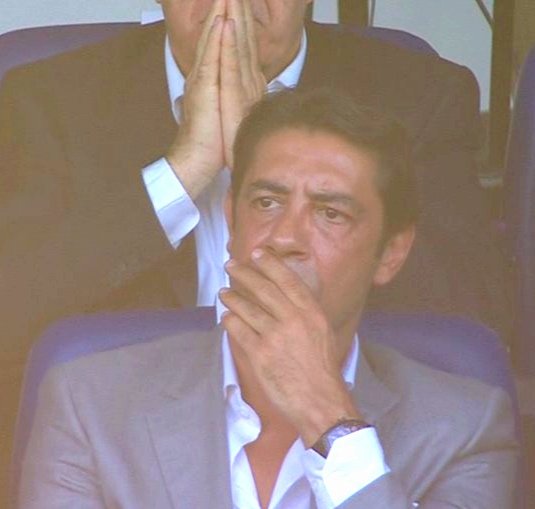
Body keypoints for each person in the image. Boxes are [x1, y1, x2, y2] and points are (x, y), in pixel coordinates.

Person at [0, 0, 509, 496]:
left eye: (329, 211)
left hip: (359, 423)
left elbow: (463, 315)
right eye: (265, 200)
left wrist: (269, 144)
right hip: (131, 453)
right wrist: (183, 171)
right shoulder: (46, 98)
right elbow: (13, 307)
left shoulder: (422, 95)